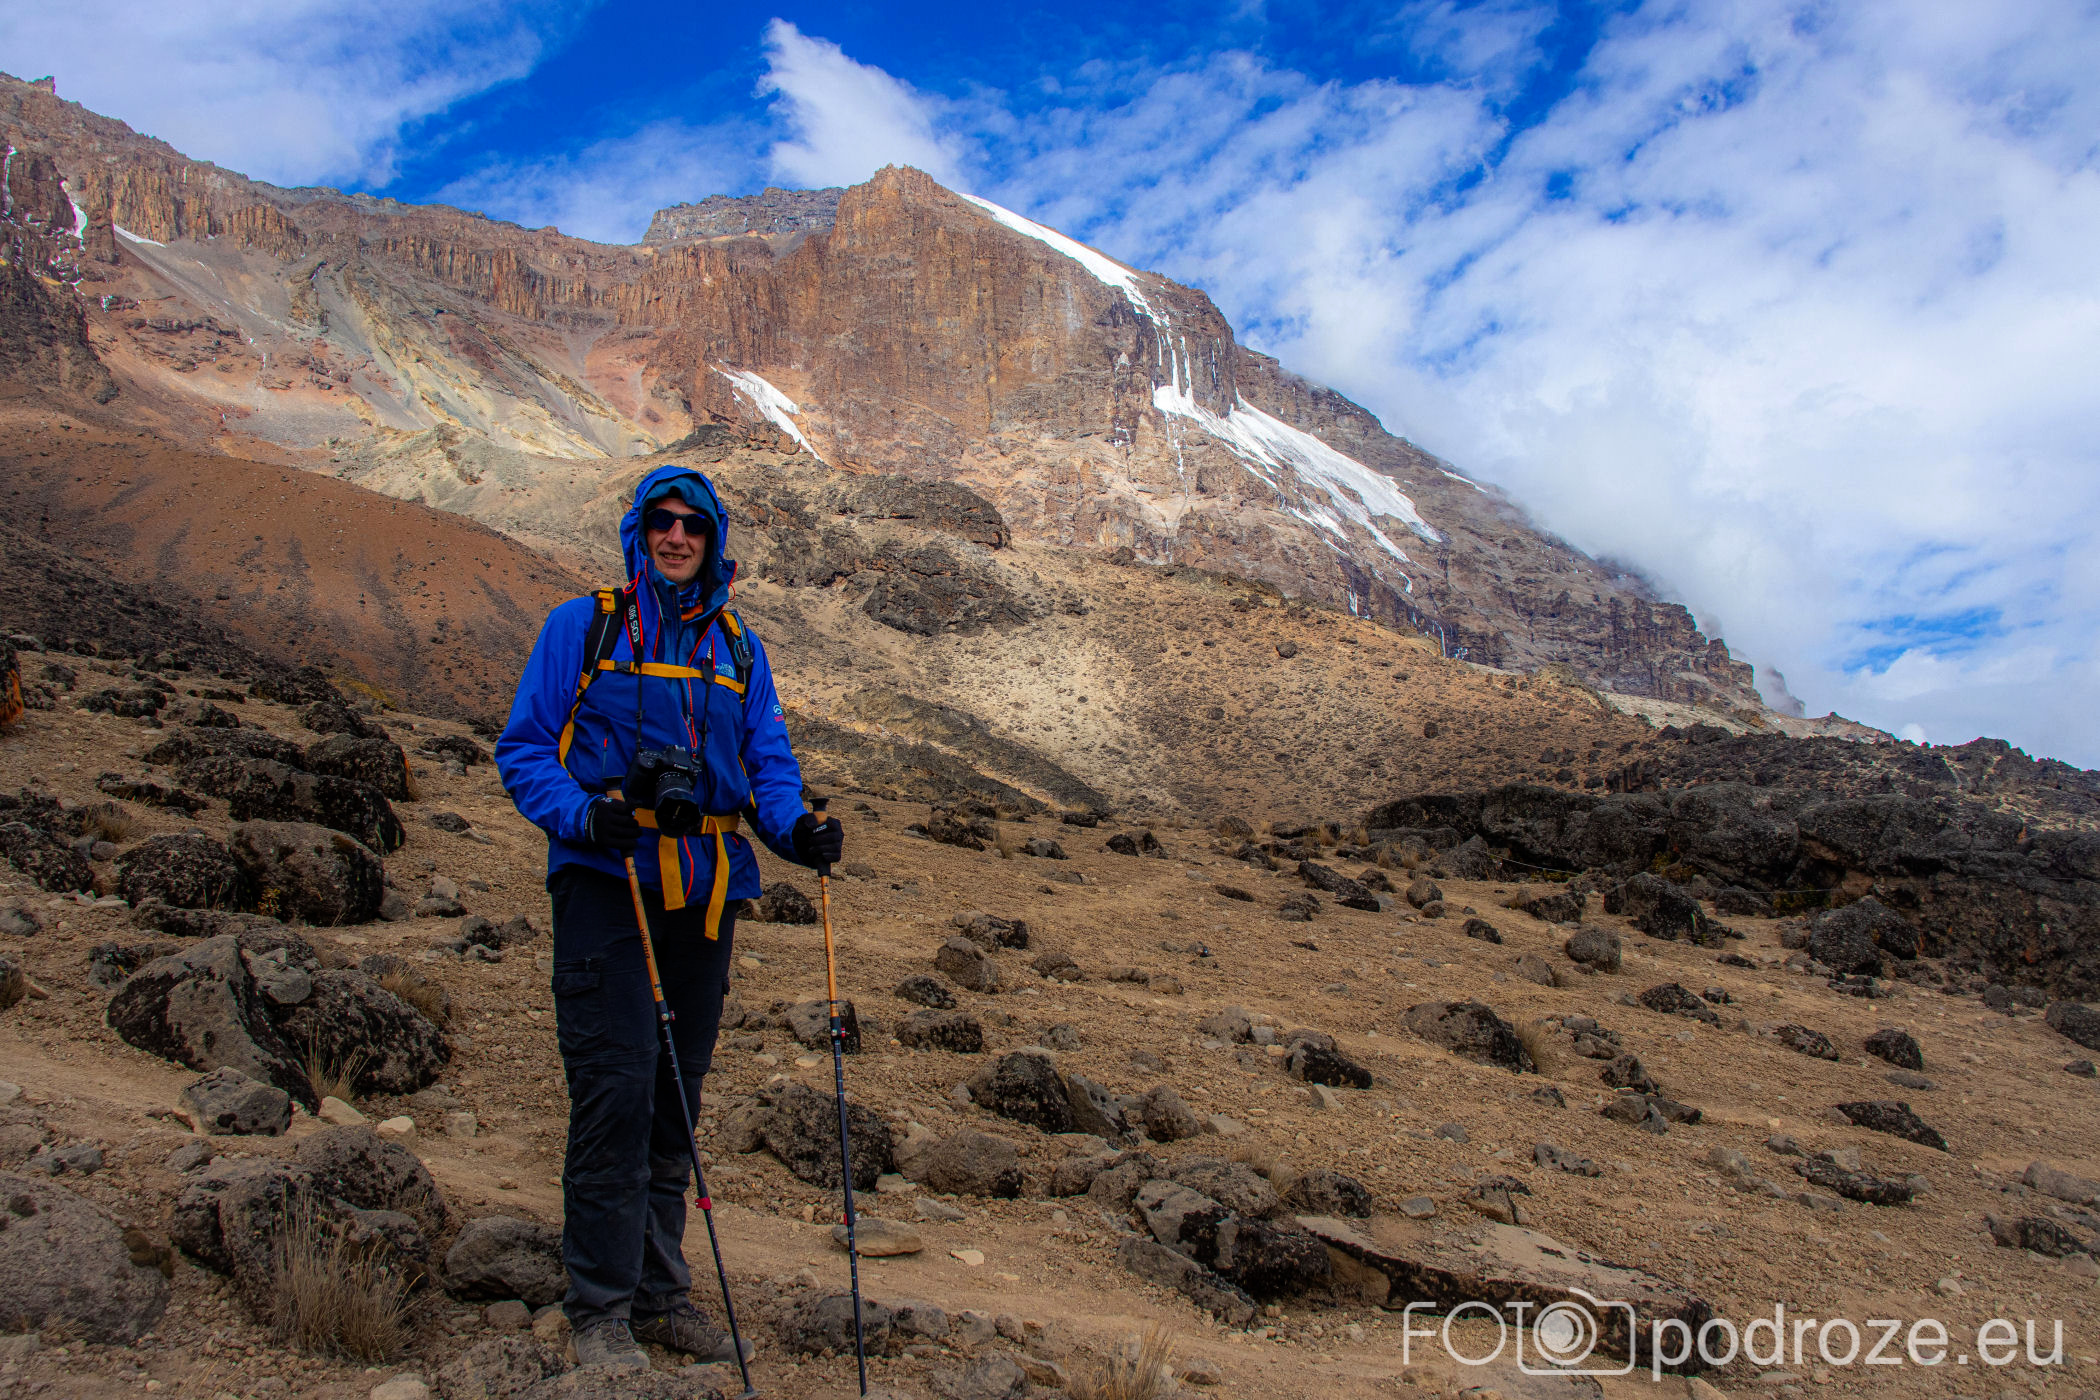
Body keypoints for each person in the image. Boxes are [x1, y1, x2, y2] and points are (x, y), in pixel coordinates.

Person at [496, 464, 844, 1369]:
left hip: (703, 894)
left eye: (693, 523)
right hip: (606, 881)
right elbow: (524, 750)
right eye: (663, 520)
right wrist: (582, 814)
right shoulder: (583, 626)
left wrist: (796, 831)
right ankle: (600, 1310)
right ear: (640, 531)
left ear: (713, 538)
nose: (677, 535)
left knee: (673, 1103)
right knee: (615, 1092)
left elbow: (767, 765)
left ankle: (658, 1298)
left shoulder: (739, 648)